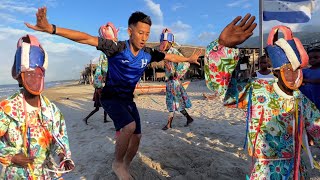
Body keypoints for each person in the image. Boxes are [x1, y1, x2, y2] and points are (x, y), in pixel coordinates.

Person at [25, 7, 201, 180]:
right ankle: (117, 163)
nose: (144, 37)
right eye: (140, 33)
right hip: (110, 97)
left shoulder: (148, 53)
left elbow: (169, 57)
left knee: (137, 137)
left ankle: (124, 164)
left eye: (147, 34)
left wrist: (188, 59)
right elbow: (86, 38)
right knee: (129, 127)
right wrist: (51, 29)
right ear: (130, 31)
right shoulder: (116, 47)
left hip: (127, 100)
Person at [205, 14, 320, 179]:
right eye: (288, 70)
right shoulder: (257, 90)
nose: (293, 76)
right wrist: (222, 48)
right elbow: (221, 88)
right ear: (276, 72)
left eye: (297, 70)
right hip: (263, 170)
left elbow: (317, 127)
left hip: (294, 170)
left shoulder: (301, 100)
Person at [0, 34, 74, 179]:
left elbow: (61, 138)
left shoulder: (52, 111)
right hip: (17, 175)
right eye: (29, 75)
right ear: (20, 77)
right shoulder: (7, 108)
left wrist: (64, 156)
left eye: (38, 75)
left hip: (46, 174)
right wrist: (12, 157)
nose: (34, 79)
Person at [83, 22, 119, 125]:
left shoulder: (112, 52)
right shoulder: (104, 55)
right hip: (101, 87)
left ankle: (104, 119)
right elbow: (101, 69)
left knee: (103, 106)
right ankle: (86, 118)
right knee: (101, 106)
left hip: (103, 85)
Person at [158, 28, 193, 130]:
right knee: (173, 102)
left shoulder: (174, 51)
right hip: (169, 82)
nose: (163, 44)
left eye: (164, 42)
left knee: (174, 102)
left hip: (174, 82)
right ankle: (188, 118)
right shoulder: (166, 54)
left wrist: (177, 73)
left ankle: (169, 124)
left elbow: (186, 63)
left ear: (170, 42)